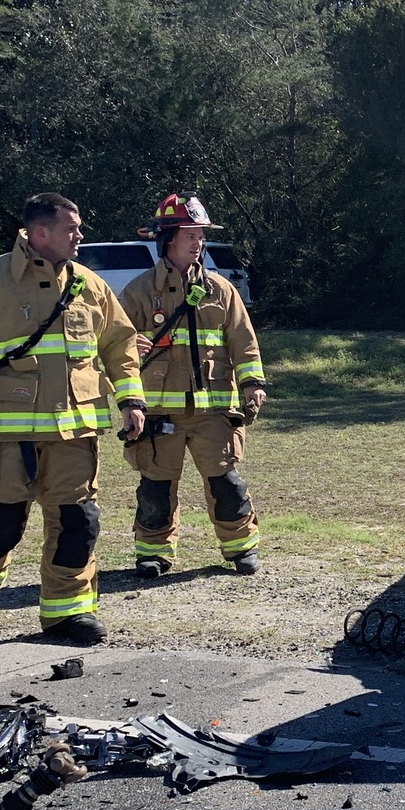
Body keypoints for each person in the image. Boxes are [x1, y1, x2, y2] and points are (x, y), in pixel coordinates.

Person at [0, 193, 144, 644]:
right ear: (41, 232)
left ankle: (68, 614)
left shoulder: (90, 285)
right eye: (72, 228)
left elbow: (120, 348)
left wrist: (131, 402)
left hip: (74, 434)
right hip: (6, 435)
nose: (80, 235)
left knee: (78, 524)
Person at [117, 193, 266, 577]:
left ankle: (240, 548)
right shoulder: (137, 291)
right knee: (155, 487)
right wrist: (128, 344)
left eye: (201, 236)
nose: (198, 243)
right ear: (168, 239)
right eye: (191, 236)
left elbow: (243, 342)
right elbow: (111, 345)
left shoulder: (221, 290)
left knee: (226, 484)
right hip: (159, 414)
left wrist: (252, 384)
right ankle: (153, 553)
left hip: (213, 413)